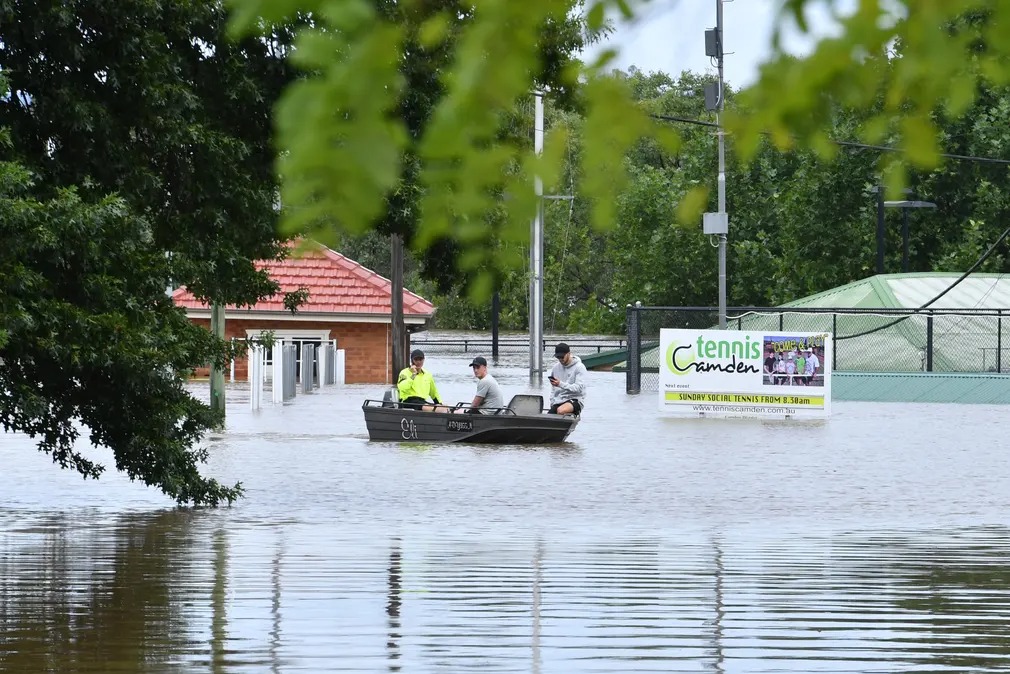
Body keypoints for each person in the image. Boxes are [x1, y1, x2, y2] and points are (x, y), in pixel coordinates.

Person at [548, 342, 586, 415]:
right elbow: (553, 389)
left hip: (576, 399)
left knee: (560, 411)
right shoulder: (555, 368)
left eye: (562, 357)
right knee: (548, 417)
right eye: (558, 357)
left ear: (569, 354)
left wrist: (560, 384)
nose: (560, 359)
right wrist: (552, 402)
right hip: (559, 400)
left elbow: (579, 388)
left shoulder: (579, 367)